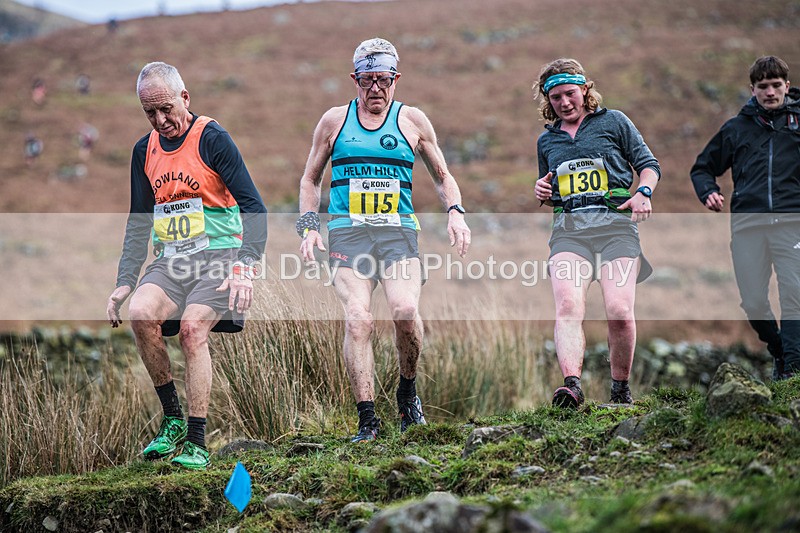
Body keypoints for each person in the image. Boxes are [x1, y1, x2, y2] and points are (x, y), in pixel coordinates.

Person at [298, 37, 471, 442]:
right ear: (354, 79)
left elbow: (444, 178)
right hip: (347, 233)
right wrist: (307, 225)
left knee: (405, 311)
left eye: (384, 79)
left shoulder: (412, 121)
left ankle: (407, 393)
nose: (375, 88)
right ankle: (367, 421)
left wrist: (456, 214)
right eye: (367, 80)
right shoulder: (333, 122)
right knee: (359, 319)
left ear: (396, 78)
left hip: (398, 234)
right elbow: (310, 178)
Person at [106, 61, 267, 469]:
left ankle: (197, 440)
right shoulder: (144, 151)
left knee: (193, 329)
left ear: (185, 98)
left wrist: (245, 266)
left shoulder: (213, 139)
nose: (160, 121)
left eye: (166, 109)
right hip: (173, 261)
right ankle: (173, 420)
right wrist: (125, 281)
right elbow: (139, 220)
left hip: (219, 257)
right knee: (142, 314)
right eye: (149, 113)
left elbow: (255, 209)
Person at [533, 58, 661, 408]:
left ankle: (620, 390)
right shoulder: (547, 140)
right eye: (556, 97)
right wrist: (542, 192)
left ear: (585, 90)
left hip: (616, 227)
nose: (564, 102)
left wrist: (643, 193)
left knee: (619, 310)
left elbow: (649, 166)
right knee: (568, 306)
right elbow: (549, 188)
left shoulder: (614, 122)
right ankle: (572, 386)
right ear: (548, 99)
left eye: (570, 93)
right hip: (569, 232)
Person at [691, 55, 800, 381]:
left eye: (776, 85)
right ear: (752, 89)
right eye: (763, 86)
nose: (770, 92)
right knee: (753, 301)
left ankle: (793, 374)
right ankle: (779, 351)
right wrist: (708, 190)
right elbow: (702, 167)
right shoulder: (736, 129)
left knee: (794, 293)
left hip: (792, 224)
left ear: (787, 86)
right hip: (748, 226)